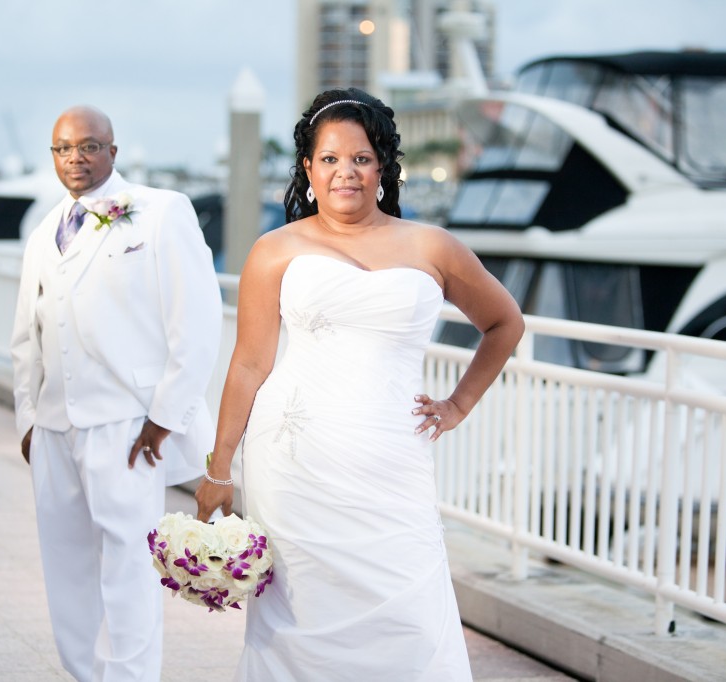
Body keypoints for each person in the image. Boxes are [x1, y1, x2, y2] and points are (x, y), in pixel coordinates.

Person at [195, 88, 524, 680]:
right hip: (293, 464)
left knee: (413, 613)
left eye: (361, 158)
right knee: (297, 618)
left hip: (393, 460)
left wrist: (458, 404)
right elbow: (248, 364)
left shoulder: (433, 246)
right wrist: (219, 469)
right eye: (329, 159)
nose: (345, 172)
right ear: (308, 169)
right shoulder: (275, 251)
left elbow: (504, 323)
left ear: (382, 167)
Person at [10, 105, 222, 681]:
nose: (74, 158)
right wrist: (28, 418)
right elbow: (25, 338)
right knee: (66, 568)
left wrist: (165, 415)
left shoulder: (159, 213)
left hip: (126, 425)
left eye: (87, 146)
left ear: (112, 150)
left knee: (129, 567)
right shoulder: (42, 233)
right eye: (62, 149)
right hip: (54, 429)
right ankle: (83, 674)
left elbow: (198, 320)